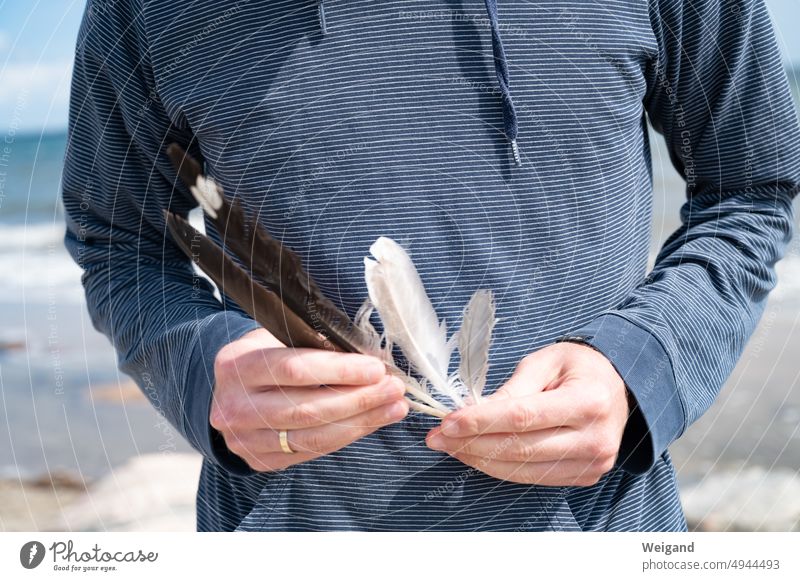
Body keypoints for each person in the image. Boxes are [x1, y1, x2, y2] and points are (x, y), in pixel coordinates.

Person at [63, 0, 800, 531]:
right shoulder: (143, 10)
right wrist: (205, 370)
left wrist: (638, 367)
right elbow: (119, 241)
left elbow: (753, 187)